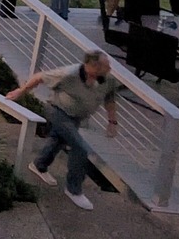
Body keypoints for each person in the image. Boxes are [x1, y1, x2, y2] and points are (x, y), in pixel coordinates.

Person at [7, 50, 119, 211]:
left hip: (76, 117)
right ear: (93, 66)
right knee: (80, 148)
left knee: (58, 140)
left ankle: (39, 165)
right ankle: (74, 189)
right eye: (106, 65)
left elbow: (110, 99)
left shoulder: (108, 79)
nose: (110, 68)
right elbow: (39, 77)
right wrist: (21, 91)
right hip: (57, 111)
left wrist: (112, 122)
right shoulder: (69, 74)